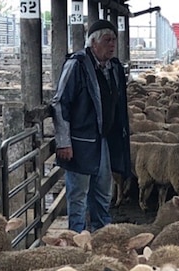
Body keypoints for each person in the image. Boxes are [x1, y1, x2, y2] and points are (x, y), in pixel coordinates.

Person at [50, 19, 131, 233]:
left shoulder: (114, 68)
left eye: (114, 40)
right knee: (78, 192)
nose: (112, 44)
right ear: (93, 42)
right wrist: (63, 141)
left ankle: (101, 232)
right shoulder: (76, 64)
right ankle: (76, 235)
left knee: (104, 189)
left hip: (104, 138)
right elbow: (60, 103)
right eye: (107, 40)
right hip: (80, 141)